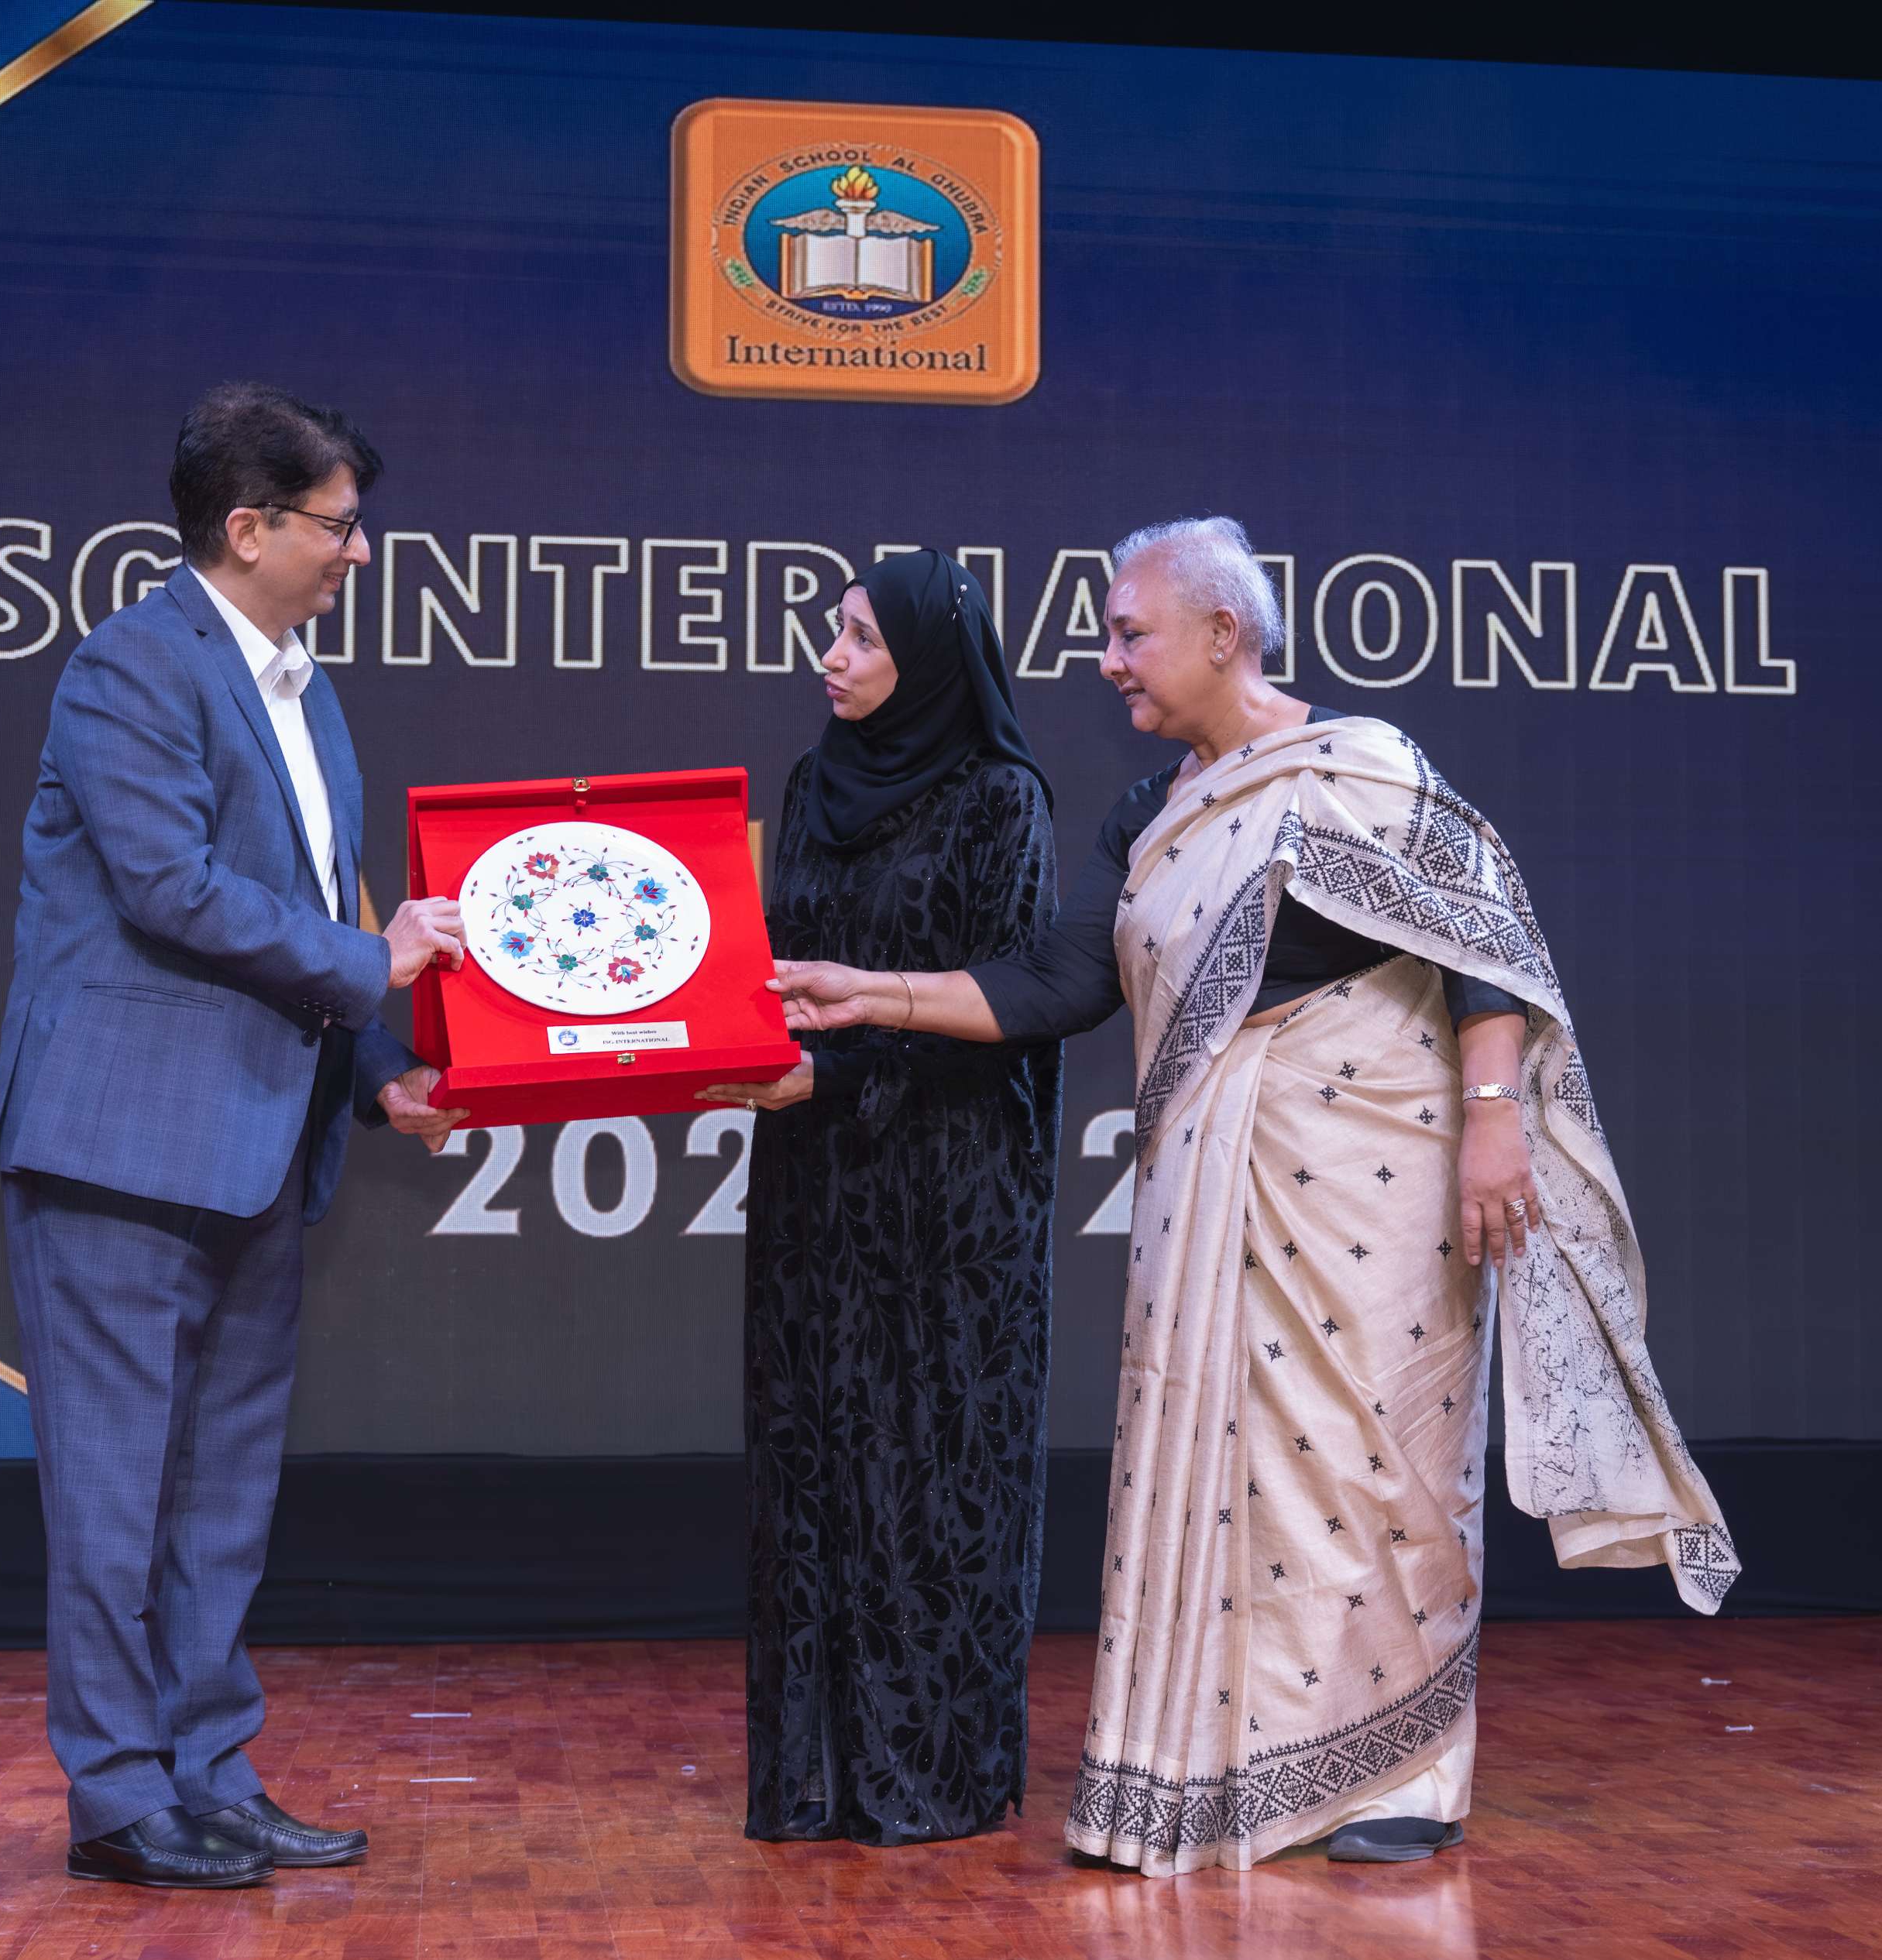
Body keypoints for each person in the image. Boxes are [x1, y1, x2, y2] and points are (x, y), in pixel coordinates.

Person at [773, 517, 1739, 1876]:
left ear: (1224, 635)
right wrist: (873, 994)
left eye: (1131, 633)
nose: (1108, 660)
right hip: (1214, 1188)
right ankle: (1224, 1767)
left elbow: (1486, 951)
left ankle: (1406, 1770)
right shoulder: (1152, 813)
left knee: (1372, 1462)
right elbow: (1058, 984)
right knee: (1237, 1471)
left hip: (1379, 1180)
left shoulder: (1359, 765)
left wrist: (1495, 1122)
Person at [0, 383, 469, 1890]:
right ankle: (119, 1796)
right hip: (120, 1149)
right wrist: (375, 962)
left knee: (221, 1495)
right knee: (116, 1493)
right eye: (340, 525)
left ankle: (211, 1769)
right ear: (248, 528)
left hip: (260, 1142)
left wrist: (381, 1069)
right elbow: (169, 887)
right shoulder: (130, 665)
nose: (360, 553)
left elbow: (314, 909)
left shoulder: (306, 691)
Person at [697, 550, 1063, 1845]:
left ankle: (937, 1773)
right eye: (833, 630)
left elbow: (1010, 1011)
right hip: (816, 1181)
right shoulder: (813, 784)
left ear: (931, 661)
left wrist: (839, 1073)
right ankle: (824, 1772)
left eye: (861, 637)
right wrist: (722, 1046)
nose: (832, 657)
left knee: (933, 1473)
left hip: (950, 1198)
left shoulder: (1003, 800)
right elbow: (776, 970)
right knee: (816, 1462)